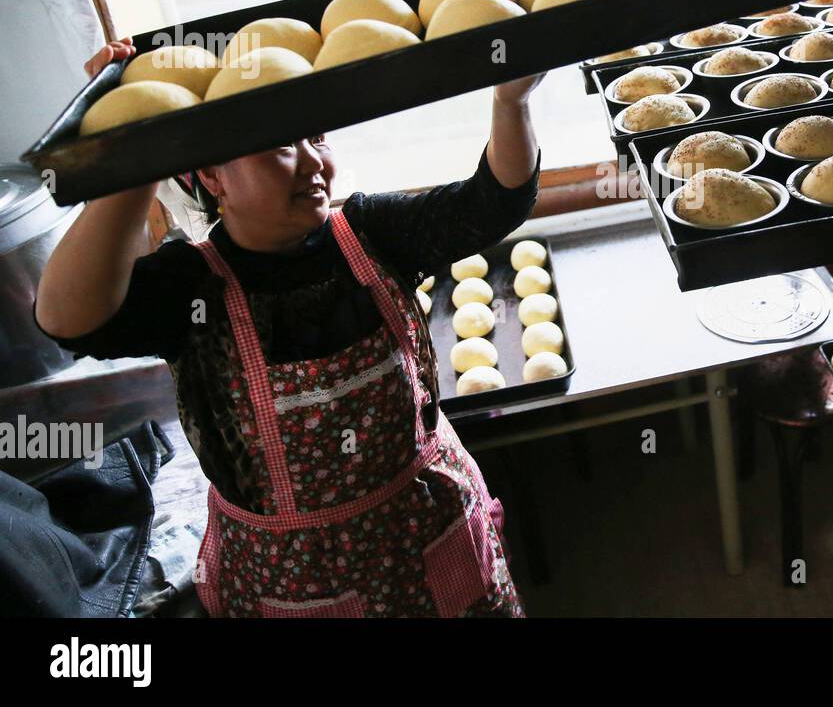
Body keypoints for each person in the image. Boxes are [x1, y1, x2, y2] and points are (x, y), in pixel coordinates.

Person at [35, 37, 541, 617]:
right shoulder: (190, 289)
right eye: (280, 144)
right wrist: (132, 158)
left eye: (318, 136)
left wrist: (511, 101)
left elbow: (493, 203)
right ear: (212, 175)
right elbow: (68, 321)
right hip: (290, 582)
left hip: (432, 533)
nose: (313, 162)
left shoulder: (373, 234)